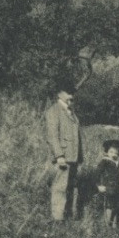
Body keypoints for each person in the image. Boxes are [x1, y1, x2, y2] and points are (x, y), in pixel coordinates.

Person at [43, 88, 84, 222]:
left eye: (72, 93)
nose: (71, 95)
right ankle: (57, 219)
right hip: (63, 158)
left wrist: (79, 156)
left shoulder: (71, 112)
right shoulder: (53, 111)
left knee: (72, 187)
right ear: (59, 94)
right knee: (60, 187)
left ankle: (69, 216)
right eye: (68, 92)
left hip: (73, 157)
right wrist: (59, 155)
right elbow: (52, 136)